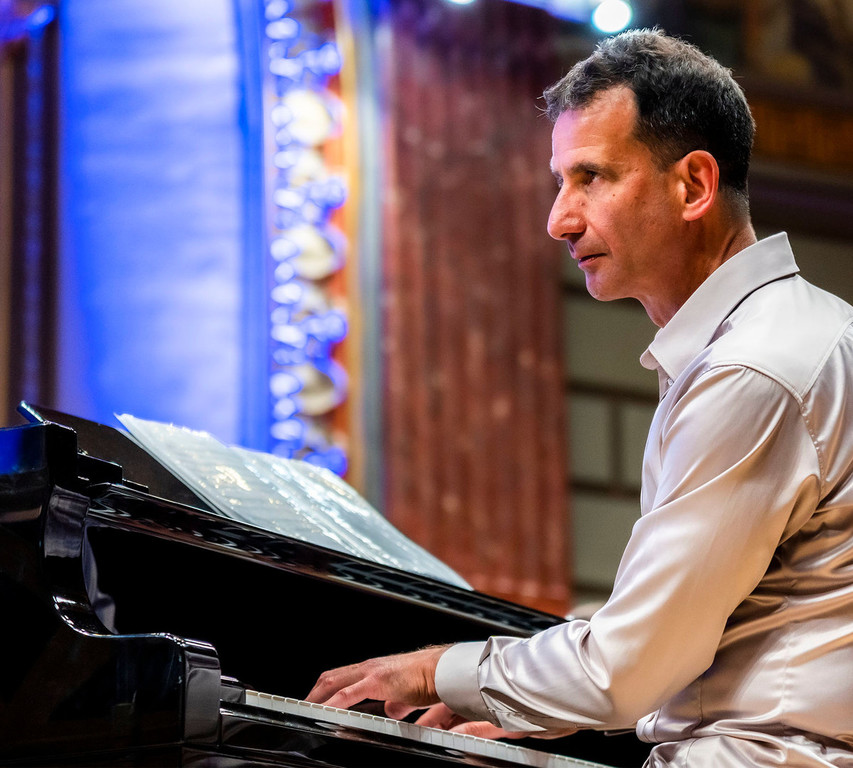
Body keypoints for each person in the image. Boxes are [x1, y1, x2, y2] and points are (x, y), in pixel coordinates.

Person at [306, 28, 853, 767]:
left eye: (591, 177)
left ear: (693, 185)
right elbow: (717, 634)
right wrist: (541, 705)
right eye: (560, 182)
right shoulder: (804, 331)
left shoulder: (752, 368)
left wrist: (438, 672)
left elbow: (625, 670)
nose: (558, 219)